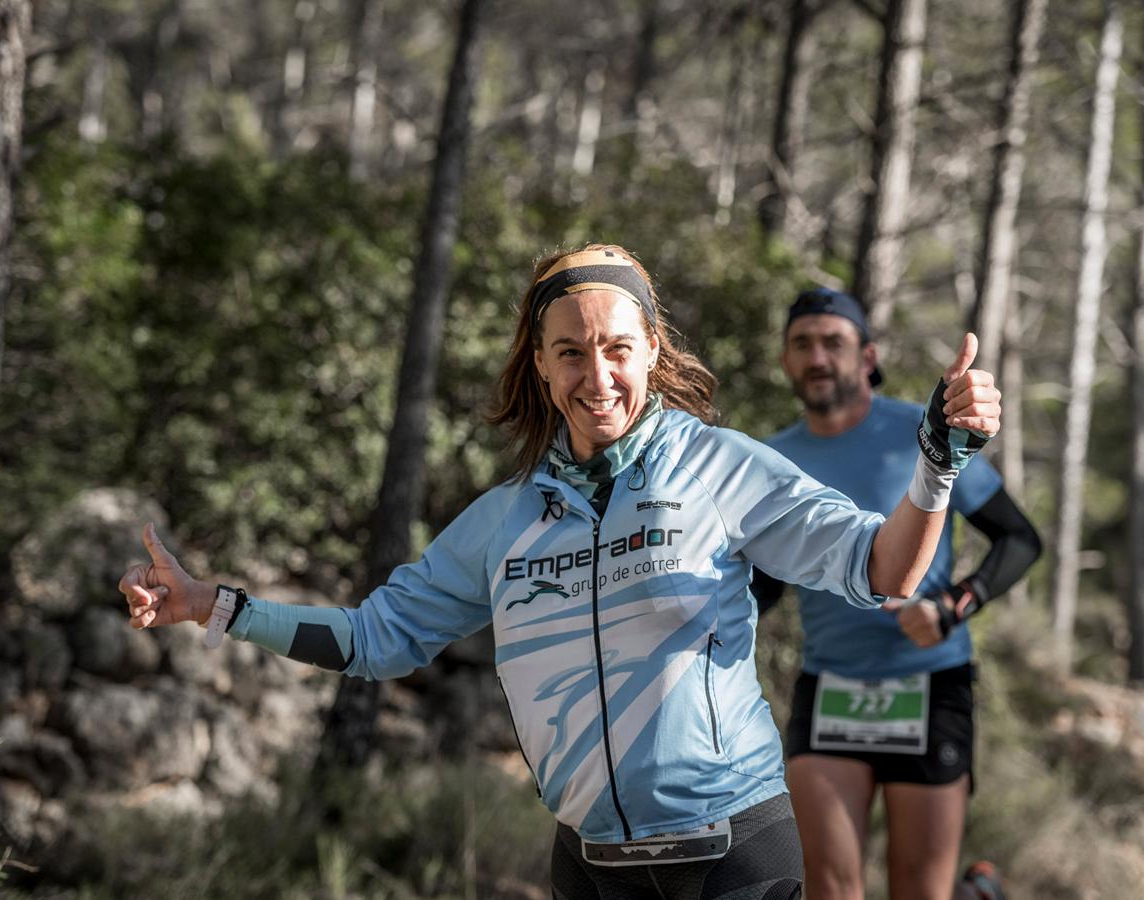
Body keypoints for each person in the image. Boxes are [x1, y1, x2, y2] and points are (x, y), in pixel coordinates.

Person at [118, 246, 1002, 899]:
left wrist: (937, 461)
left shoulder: (721, 468)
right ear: (541, 368)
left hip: (733, 857)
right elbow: (373, 641)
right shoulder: (507, 521)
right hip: (589, 867)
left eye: (617, 347)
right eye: (571, 352)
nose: (597, 374)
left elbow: (885, 569)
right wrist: (215, 605)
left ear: (652, 348)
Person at [750, 288, 1040, 900]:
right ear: (785, 361)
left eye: (834, 342)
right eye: (802, 344)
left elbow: (1019, 539)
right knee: (829, 888)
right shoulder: (772, 460)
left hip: (928, 682)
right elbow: (767, 583)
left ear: (867, 356)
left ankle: (977, 892)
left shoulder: (926, 432)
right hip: (831, 684)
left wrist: (954, 605)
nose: (818, 357)